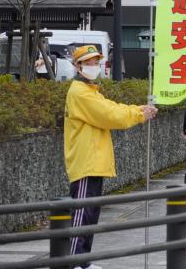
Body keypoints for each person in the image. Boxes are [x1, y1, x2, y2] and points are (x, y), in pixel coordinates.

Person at [64, 45, 158, 269]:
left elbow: (110, 108)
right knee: (82, 213)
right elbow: (110, 114)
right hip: (86, 162)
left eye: (96, 61)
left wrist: (138, 109)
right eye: (88, 63)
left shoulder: (90, 91)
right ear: (77, 66)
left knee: (90, 213)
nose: (94, 66)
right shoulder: (80, 92)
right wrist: (139, 114)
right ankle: (74, 261)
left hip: (92, 161)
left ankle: (83, 261)